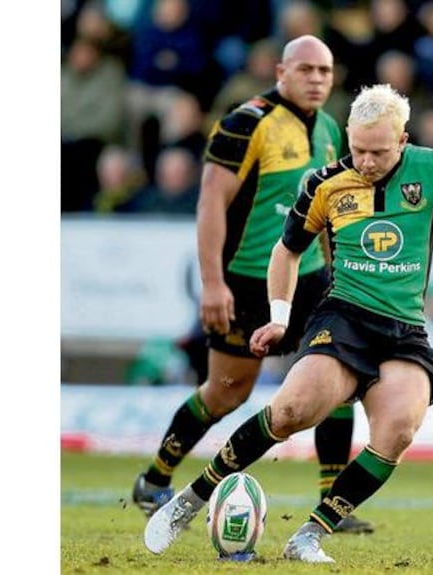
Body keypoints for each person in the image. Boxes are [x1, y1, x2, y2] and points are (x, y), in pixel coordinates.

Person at [143, 82, 433, 562]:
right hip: (344, 317)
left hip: (404, 330)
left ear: (402, 140)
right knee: (291, 410)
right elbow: (286, 251)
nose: (367, 161)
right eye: (358, 149)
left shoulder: (432, 167)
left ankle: (309, 535)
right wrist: (280, 317)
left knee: (398, 431)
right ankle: (192, 498)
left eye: (378, 151)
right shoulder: (325, 183)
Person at [130, 34, 374, 535]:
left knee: (337, 376)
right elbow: (210, 204)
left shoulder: (331, 128)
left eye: (325, 71)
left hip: (308, 278)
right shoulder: (245, 123)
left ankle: (333, 501)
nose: (316, 79)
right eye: (305, 69)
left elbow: (328, 210)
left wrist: (339, 274)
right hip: (244, 282)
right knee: (227, 392)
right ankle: (155, 478)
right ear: (281, 72)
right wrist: (212, 284)